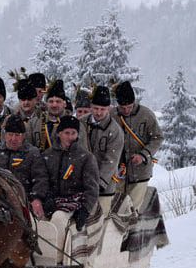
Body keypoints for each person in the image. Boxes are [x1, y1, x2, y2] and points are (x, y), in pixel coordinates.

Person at [41, 115, 99, 234]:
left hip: (75, 200)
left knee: (58, 219)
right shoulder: (48, 155)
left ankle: (58, 252)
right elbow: (43, 179)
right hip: (52, 199)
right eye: (67, 133)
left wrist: (85, 209)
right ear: (59, 133)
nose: (70, 137)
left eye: (73, 133)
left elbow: (92, 188)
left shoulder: (86, 157)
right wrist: (47, 197)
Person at [112, 81, 163, 212]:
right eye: (123, 108)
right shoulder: (112, 115)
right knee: (117, 209)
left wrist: (143, 154)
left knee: (134, 211)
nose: (126, 110)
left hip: (140, 172)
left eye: (129, 106)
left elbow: (157, 138)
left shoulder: (146, 115)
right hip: (118, 173)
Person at [0, 114, 48, 218]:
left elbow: (40, 178)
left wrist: (36, 199)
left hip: (24, 201)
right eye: (10, 134)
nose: (13, 139)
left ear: (23, 136)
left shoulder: (32, 153)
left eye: (17, 135)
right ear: (5, 135)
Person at [79, 85, 124, 219]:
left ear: (109, 108)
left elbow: (111, 161)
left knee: (100, 220)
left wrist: (98, 185)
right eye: (96, 108)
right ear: (91, 106)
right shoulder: (81, 123)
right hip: (82, 183)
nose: (98, 113)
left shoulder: (115, 131)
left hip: (104, 186)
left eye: (102, 109)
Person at [28, 79, 69, 151]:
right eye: (51, 101)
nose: (54, 105)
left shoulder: (74, 124)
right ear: (46, 104)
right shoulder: (34, 123)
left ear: (64, 104)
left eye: (58, 101)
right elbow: (27, 149)